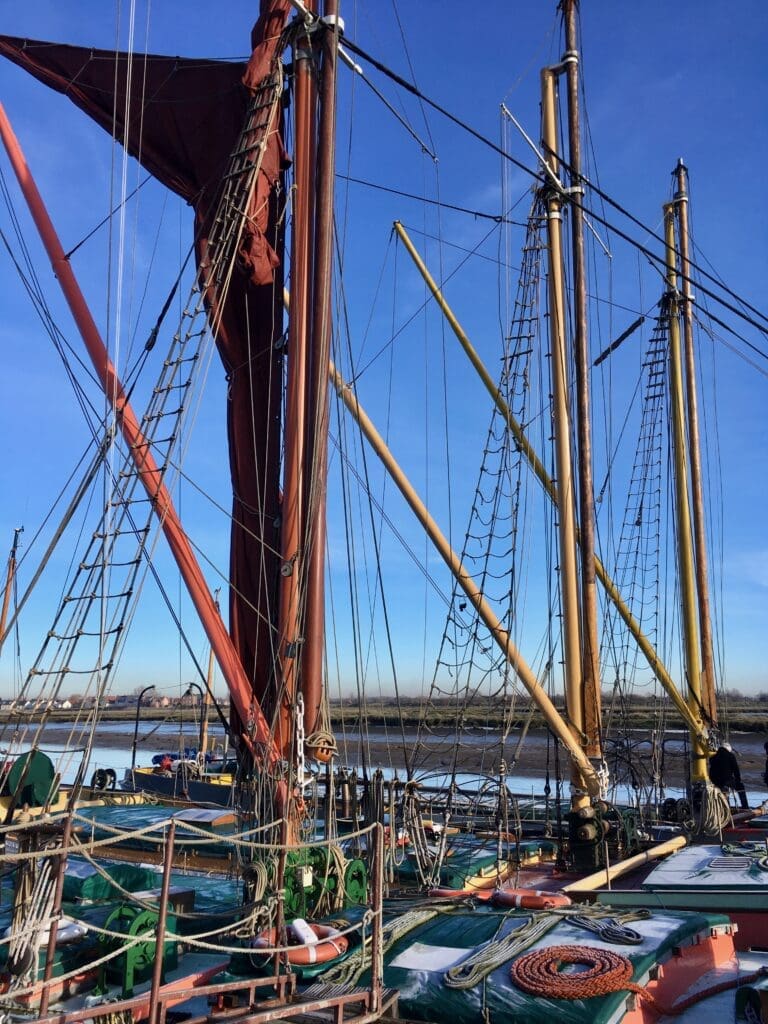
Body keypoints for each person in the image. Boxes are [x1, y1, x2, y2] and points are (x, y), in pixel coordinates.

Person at [708, 743, 748, 809]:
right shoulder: (730, 756)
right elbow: (736, 770)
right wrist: (738, 780)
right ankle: (745, 806)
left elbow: (711, 770)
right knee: (740, 787)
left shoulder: (713, 757)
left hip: (716, 782)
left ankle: (726, 807)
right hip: (727, 780)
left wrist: (714, 781)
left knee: (724, 790)